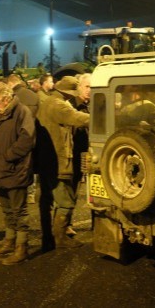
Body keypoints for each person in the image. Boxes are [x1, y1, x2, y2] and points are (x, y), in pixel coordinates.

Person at [36, 76, 90, 249]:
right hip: (57, 160)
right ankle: (60, 237)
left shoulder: (48, 102)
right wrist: (103, 117)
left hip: (45, 160)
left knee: (46, 201)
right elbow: (77, 118)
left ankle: (47, 238)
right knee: (66, 201)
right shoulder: (59, 105)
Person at [0, 82, 35, 265]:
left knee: (19, 211)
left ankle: (22, 248)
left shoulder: (22, 112)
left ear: (6, 98)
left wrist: (7, 156)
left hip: (16, 170)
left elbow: (27, 139)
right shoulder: (0, 113)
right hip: (2, 169)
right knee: (7, 210)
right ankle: (9, 242)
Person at [6, 74, 40, 203]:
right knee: (30, 163)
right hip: (32, 134)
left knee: (18, 165)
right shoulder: (33, 95)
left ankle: (18, 191)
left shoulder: (12, 97)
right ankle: (31, 193)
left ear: (10, 84)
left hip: (16, 136)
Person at [66, 73, 91, 236]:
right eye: (87, 86)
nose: (90, 90)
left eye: (93, 87)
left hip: (92, 154)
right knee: (71, 189)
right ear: (80, 87)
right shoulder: (71, 105)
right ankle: (66, 223)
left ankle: (99, 222)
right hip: (75, 154)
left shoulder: (98, 103)